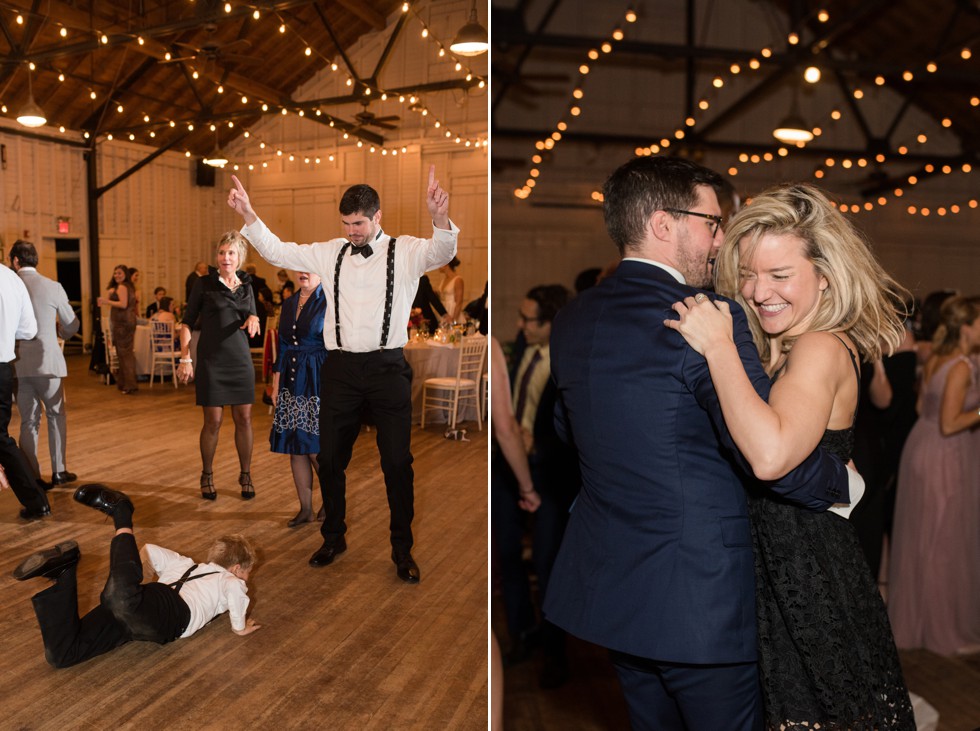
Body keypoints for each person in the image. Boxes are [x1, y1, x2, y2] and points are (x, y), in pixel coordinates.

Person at [543, 156, 851, 731]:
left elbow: (568, 430)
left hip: (615, 589)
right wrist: (846, 481)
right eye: (711, 222)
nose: (718, 240)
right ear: (665, 224)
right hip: (700, 598)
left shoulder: (575, 316)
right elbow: (766, 456)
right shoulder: (707, 316)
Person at [666, 182, 915, 728]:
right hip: (780, 569)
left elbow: (771, 456)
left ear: (825, 277)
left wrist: (719, 347)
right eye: (750, 276)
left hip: (810, 575)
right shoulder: (781, 347)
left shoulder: (821, 345)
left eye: (780, 276)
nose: (759, 292)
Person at [227, 165, 457, 583]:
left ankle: (402, 549)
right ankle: (334, 535)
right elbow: (278, 251)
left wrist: (439, 219)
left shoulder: (405, 251)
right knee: (329, 458)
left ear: (377, 217)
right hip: (341, 370)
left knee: (396, 463)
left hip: (387, 369)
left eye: (359, 223)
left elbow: (440, 253)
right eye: (347, 224)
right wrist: (248, 215)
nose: (352, 231)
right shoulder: (329, 251)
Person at [12, 483, 260, 668]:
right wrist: (240, 628)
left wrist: (137, 580)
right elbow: (236, 593)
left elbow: (149, 550)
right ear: (237, 568)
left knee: (63, 654)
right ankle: (122, 513)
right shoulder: (229, 580)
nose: (245, 579)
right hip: (168, 615)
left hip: (138, 612)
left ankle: (63, 573)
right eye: (247, 572)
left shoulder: (184, 563)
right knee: (119, 599)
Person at [495, 284, 579, 689]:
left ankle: (554, 652)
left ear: (552, 324)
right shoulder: (521, 349)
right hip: (509, 471)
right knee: (506, 556)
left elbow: (577, 431)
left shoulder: (570, 363)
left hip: (551, 478)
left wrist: (537, 446)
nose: (521, 325)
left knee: (547, 566)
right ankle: (521, 635)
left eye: (530, 320)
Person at [888, 295, 980, 656]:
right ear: (968, 326)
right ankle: (943, 631)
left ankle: (918, 624)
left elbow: (919, 405)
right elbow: (950, 423)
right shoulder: (960, 365)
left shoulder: (936, 357)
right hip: (945, 453)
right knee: (943, 541)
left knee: (924, 537)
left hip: (920, 447)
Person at [177, 232, 261, 501]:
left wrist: (254, 319)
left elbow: (252, 313)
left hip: (240, 359)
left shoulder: (246, 285)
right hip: (212, 360)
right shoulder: (204, 284)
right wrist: (185, 358)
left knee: (244, 419)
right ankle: (207, 474)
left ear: (239, 258)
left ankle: (246, 474)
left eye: (231, 253)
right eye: (222, 252)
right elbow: (187, 322)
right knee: (213, 421)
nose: (225, 257)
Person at [10, 241, 81, 490]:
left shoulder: (8, 286)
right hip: (48, 363)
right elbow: (72, 324)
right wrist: (62, 331)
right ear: (35, 260)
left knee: (28, 421)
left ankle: (33, 475)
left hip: (17, 364)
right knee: (55, 415)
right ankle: (59, 471)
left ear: (16, 261)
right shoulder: (52, 286)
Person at [270, 271, 329, 527]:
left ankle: (332, 500)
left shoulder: (329, 300)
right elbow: (282, 345)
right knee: (295, 447)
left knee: (315, 447)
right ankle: (305, 508)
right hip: (291, 380)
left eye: (309, 267)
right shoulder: (290, 302)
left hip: (317, 377)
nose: (302, 272)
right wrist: (275, 385)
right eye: (299, 267)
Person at [0, 262, 50, 520]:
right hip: (3, 369)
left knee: (2, 440)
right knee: (2, 438)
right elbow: (28, 329)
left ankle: (37, 500)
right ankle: (36, 501)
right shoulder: (11, 279)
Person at [97, 264, 139, 394]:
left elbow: (123, 304)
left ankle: (129, 385)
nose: (117, 275)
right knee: (124, 354)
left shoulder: (122, 287)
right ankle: (124, 383)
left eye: (120, 273)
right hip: (126, 322)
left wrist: (106, 301)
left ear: (125, 274)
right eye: (115, 273)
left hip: (123, 324)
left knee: (125, 354)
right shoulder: (127, 287)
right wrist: (110, 294)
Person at [437, 257, 464, 324]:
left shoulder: (458, 280)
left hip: (452, 311)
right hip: (444, 310)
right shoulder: (444, 280)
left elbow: (459, 302)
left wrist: (454, 320)